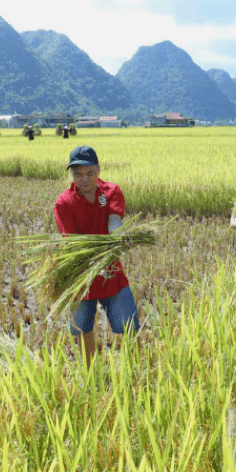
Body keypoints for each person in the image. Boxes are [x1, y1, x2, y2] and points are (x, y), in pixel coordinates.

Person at [54, 145, 140, 367]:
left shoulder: (111, 191)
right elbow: (72, 243)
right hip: (80, 273)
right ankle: (91, 374)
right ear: (71, 174)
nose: (84, 179)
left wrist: (118, 238)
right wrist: (92, 264)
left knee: (128, 324)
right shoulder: (64, 202)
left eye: (89, 173)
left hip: (111, 270)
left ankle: (134, 370)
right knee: (84, 328)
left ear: (98, 170)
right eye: (77, 174)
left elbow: (114, 220)